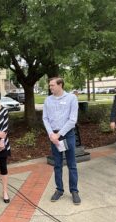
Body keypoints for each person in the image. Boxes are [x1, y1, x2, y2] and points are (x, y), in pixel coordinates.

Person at [42, 77, 81, 205]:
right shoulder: (48, 100)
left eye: (52, 85)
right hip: (54, 137)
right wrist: (51, 134)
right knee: (57, 164)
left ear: (60, 85)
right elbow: (45, 118)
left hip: (67, 135)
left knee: (72, 164)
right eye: (50, 85)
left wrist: (59, 134)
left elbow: (72, 120)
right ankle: (59, 190)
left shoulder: (71, 98)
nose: (50, 87)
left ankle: (74, 191)